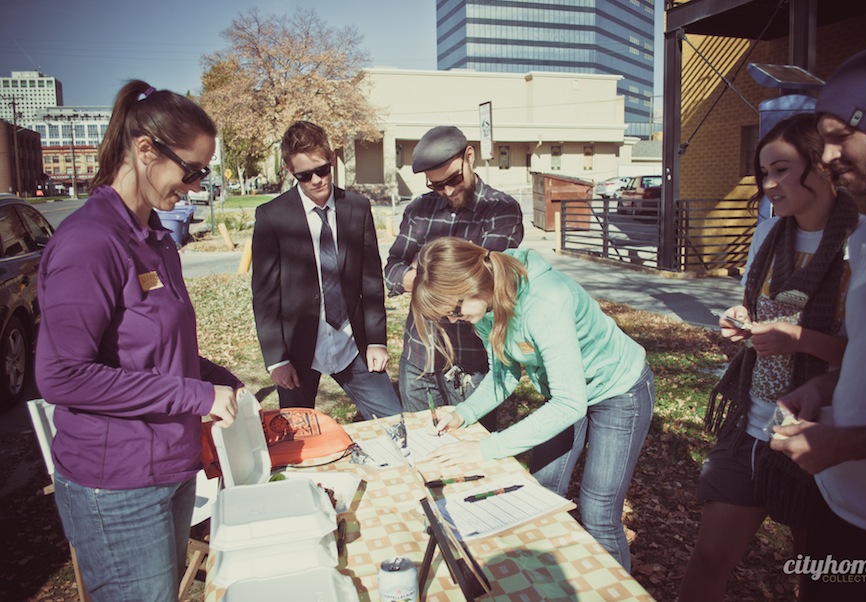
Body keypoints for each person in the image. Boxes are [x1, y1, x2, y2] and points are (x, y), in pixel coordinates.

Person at [34, 80, 243, 601]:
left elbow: (159, 351)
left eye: (203, 173)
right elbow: (62, 375)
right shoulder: (90, 242)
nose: (195, 186)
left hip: (170, 466)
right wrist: (196, 396)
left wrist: (222, 381)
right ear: (145, 149)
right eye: (190, 170)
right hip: (118, 483)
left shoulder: (156, 240)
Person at [679, 113, 859, 601]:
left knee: (821, 575)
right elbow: (760, 308)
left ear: (822, 167)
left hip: (820, 434)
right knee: (710, 559)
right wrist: (744, 316)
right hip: (751, 425)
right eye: (764, 173)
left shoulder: (862, 244)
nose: (769, 185)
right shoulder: (770, 234)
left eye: (781, 169)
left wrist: (800, 339)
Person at [413, 237, 654, 571]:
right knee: (541, 490)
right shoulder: (485, 305)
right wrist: (463, 412)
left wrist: (486, 447)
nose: (455, 320)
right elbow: (505, 372)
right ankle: (550, 576)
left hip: (618, 391)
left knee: (598, 511)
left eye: (455, 310)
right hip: (567, 393)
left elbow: (570, 405)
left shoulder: (545, 302)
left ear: (471, 282)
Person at [769, 43, 866, 601]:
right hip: (840, 506)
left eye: (841, 134)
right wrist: (823, 389)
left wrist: (845, 444)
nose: (826, 156)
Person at [251, 121, 401, 418]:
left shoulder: (357, 208)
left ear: (332, 158)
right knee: (296, 438)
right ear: (290, 171)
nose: (317, 180)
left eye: (322, 169)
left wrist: (376, 340)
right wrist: (277, 360)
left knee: (394, 420)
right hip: (298, 352)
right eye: (305, 176)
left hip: (353, 344)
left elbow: (370, 280)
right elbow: (265, 297)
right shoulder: (272, 217)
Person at [384, 126, 523, 429]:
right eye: (436, 185)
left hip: (470, 361)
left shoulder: (500, 209)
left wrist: (428, 283)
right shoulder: (420, 209)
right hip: (419, 354)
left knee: (471, 460)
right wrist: (419, 280)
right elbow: (392, 267)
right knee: (422, 449)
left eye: (453, 179)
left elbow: (486, 281)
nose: (447, 191)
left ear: (469, 156)